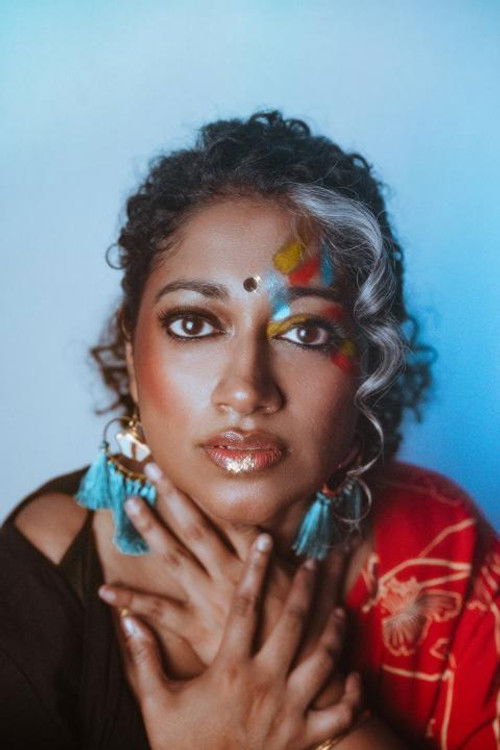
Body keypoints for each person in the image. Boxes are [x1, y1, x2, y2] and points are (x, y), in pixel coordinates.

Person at [1, 111, 498, 750]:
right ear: (131, 349)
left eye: (307, 332)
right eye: (193, 324)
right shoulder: (43, 565)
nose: (245, 390)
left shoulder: (441, 548)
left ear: (368, 366)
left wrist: (321, 711)